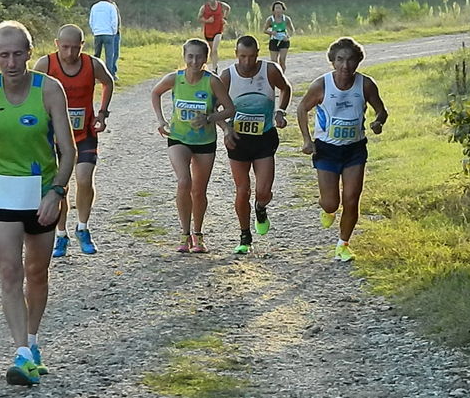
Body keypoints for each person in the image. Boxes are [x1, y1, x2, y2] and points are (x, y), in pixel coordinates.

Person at [0, 21, 76, 386]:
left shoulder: (50, 90)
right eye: (3, 55)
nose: (11, 62)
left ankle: (34, 342)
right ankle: (21, 352)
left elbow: (68, 150)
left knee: (38, 272)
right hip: (0, 194)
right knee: (10, 272)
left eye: (18, 53)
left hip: (42, 195)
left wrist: (56, 191)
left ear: (29, 52)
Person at [297, 37, 388, 262]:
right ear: (332, 61)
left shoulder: (366, 84)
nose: (345, 66)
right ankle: (327, 210)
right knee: (331, 203)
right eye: (339, 60)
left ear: (358, 61)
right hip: (327, 149)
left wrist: (378, 122)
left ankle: (343, 244)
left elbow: (381, 110)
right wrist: (307, 140)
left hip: (354, 149)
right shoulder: (321, 85)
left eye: (350, 60)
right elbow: (301, 108)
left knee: (351, 198)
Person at [34, 24, 114, 257]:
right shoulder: (46, 65)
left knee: (84, 178)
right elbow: (33, 91)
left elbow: (108, 82)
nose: (69, 53)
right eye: (65, 47)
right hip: (54, 139)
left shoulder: (92, 64)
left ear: (83, 46)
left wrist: (102, 113)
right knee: (59, 187)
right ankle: (61, 235)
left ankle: (83, 228)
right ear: (56, 44)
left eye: (75, 48)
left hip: (84, 134)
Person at [151, 38, 234, 253]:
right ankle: (184, 234)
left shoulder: (212, 81)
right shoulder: (175, 79)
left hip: (204, 141)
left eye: (199, 57)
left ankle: (198, 234)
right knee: (183, 182)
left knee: (199, 190)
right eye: (190, 56)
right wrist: (161, 121)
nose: (194, 61)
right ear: (184, 56)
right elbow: (155, 93)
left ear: (206, 58)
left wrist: (209, 118)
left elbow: (230, 109)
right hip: (178, 137)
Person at [218, 35, 292, 254]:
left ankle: (260, 208)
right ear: (235, 54)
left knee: (263, 192)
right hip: (238, 140)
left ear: (258, 54)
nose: (247, 62)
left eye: (251, 57)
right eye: (242, 56)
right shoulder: (227, 76)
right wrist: (226, 129)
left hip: (264, 138)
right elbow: (213, 108)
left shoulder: (270, 70)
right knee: (242, 191)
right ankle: (244, 236)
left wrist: (280, 111)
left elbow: (285, 89)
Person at [197, 0, 231, 74]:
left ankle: (215, 68)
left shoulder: (221, 5)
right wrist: (207, 20)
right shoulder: (204, 7)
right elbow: (199, 18)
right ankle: (212, 65)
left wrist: (224, 18)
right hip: (208, 31)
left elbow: (228, 8)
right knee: (211, 50)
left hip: (218, 30)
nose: (212, 0)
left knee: (215, 49)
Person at [89, 0, 118, 78]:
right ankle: (108, 75)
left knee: (97, 55)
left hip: (98, 33)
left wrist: (94, 30)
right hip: (108, 33)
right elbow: (114, 21)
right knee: (109, 56)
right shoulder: (111, 7)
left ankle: (95, 73)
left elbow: (91, 21)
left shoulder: (95, 6)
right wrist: (114, 31)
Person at [263, 0, 295, 73]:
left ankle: (282, 76)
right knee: (274, 61)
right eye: (276, 8)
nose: (278, 10)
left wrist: (288, 37)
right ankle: (276, 76)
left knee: (282, 60)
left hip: (284, 41)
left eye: (279, 8)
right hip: (274, 40)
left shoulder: (286, 19)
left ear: (283, 9)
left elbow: (292, 30)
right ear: (273, 10)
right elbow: (264, 30)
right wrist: (271, 32)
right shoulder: (270, 19)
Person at [108, 0, 121, 80]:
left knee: (114, 53)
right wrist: (114, 30)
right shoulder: (110, 5)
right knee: (113, 53)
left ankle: (112, 71)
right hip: (113, 32)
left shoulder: (113, 4)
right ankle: (112, 72)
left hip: (115, 31)